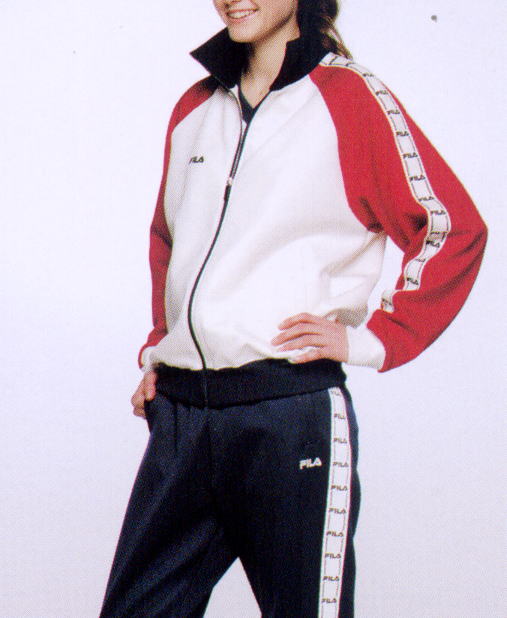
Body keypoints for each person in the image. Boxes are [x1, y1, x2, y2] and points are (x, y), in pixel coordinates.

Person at [99, 1, 487, 616]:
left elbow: (449, 228)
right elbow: (170, 240)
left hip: (287, 414)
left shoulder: (349, 98)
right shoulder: (195, 106)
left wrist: (375, 339)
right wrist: (161, 348)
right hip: (182, 419)